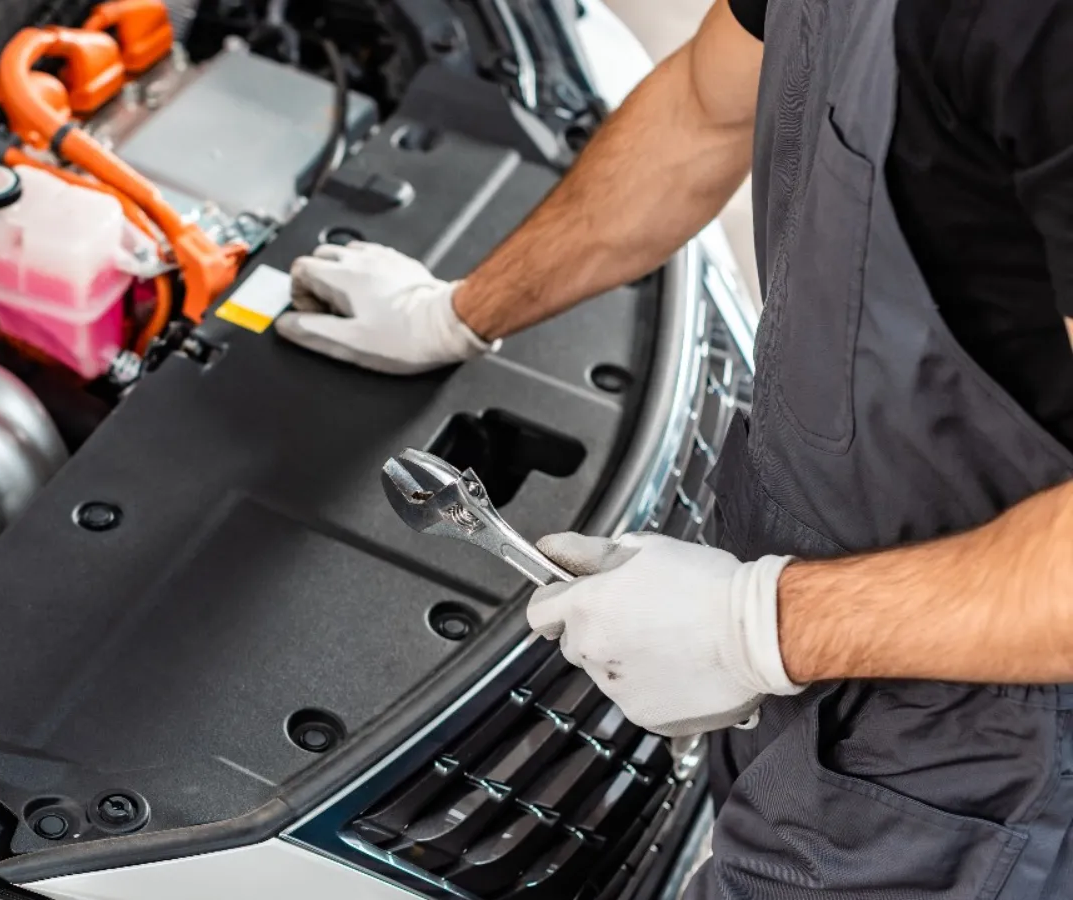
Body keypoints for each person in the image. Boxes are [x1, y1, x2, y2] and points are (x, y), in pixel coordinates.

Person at [276, 0, 1073, 896]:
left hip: (983, 751)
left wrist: (759, 626)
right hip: (808, 599)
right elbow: (706, 105)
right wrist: (457, 313)